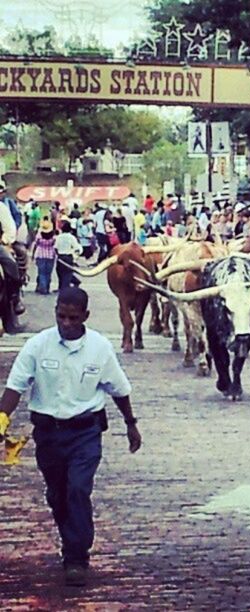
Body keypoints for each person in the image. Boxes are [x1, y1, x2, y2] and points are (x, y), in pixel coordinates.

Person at [0, 287, 141, 586]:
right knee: (57, 494)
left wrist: (131, 424)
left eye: (72, 318)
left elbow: (119, 389)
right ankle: (71, 538)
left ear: (85, 317)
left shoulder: (100, 348)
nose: (65, 323)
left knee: (78, 489)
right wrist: (1, 420)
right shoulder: (38, 345)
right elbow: (15, 386)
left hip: (85, 433)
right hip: (48, 434)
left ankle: (76, 557)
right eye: (60, 316)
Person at [0, 187, 26, 315]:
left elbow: (9, 227)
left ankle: (15, 297)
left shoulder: (1, 208)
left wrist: (5, 241)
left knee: (10, 263)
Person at [55, 221, 83, 290]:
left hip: (60, 257)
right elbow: (76, 248)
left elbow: (55, 247)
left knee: (60, 273)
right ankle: (65, 288)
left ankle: (61, 287)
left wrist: (57, 255)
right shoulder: (71, 237)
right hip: (68, 257)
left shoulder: (59, 237)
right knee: (67, 273)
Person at [32, 217, 56, 294]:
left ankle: (43, 287)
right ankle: (47, 287)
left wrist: (33, 254)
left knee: (41, 273)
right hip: (50, 256)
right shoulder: (53, 237)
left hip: (40, 255)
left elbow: (35, 245)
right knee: (48, 273)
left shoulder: (39, 236)